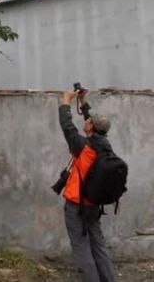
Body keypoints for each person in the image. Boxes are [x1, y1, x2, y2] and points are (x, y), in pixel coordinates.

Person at [59, 89, 117, 282]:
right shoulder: (104, 145)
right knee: (99, 246)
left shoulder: (82, 146)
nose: (86, 120)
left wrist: (66, 102)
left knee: (82, 249)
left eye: (88, 121)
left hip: (76, 205)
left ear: (90, 127)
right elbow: (93, 123)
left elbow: (67, 126)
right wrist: (83, 101)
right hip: (93, 204)